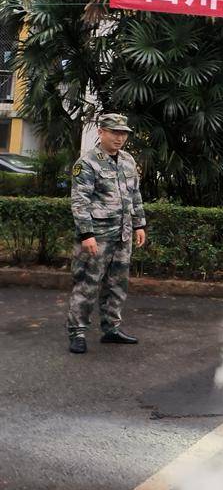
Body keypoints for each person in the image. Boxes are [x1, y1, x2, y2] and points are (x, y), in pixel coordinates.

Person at [67, 113, 147, 354]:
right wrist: (86, 234)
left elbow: (135, 195)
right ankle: (77, 332)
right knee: (87, 283)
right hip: (97, 236)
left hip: (122, 235)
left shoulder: (128, 160)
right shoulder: (87, 162)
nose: (119, 137)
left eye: (123, 133)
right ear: (101, 132)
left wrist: (139, 224)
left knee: (117, 284)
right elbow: (80, 202)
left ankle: (111, 328)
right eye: (114, 132)